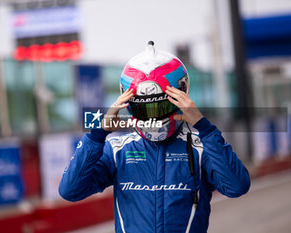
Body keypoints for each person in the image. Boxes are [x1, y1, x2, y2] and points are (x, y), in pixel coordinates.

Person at [59, 42, 250, 233]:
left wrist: (204, 127)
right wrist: (97, 134)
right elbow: (70, 190)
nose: (152, 117)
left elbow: (237, 186)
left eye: (160, 107)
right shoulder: (117, 150)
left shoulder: (201, 148)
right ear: (127, 105)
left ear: (182, 101)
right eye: (143, 108)